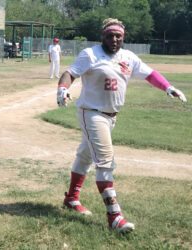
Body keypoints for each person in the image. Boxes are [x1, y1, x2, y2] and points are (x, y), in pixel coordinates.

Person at [57, 18, 187, 233]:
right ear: (103, 36)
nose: (115, 39)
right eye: (110, 35)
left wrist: (168, 87)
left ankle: (71, 199)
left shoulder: (128, 57)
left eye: (118, 36)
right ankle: (115, 217)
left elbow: (150, 74)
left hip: (111, 116)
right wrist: (62, 88)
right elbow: (70, 73)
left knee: (85, 156)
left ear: (123, 37)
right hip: (92, 113)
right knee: (105, 161)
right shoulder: (91, 54)